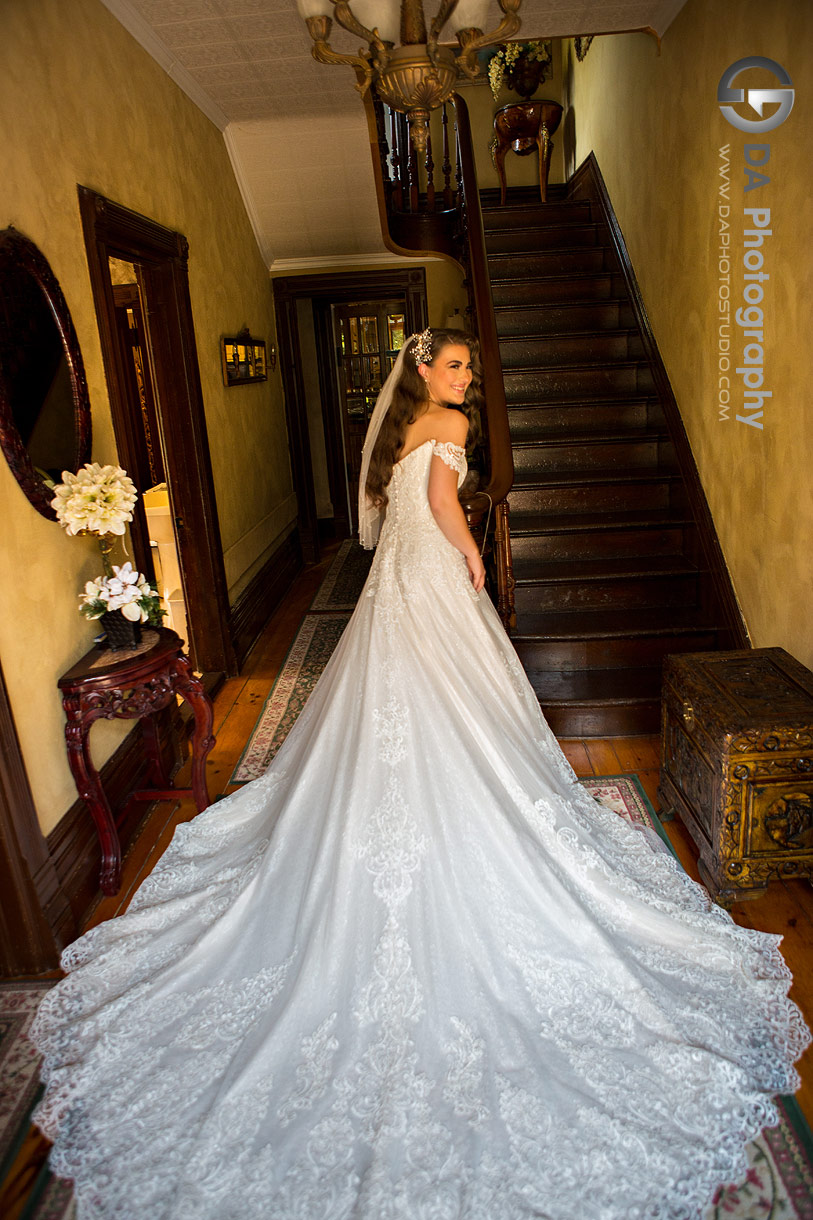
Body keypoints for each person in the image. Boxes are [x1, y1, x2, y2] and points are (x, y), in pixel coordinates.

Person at [31, 329, 809, 1219]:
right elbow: (442, 502)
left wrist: (452, 539)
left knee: (389, 710)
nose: (465, 380)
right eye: (454, 367)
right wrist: (472, 554)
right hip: (428, 576)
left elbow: (398, 502)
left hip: (391, 586)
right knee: (459, 708)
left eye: (470, 370)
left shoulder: (404, 422)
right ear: (424, 371)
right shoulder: (446, 424)